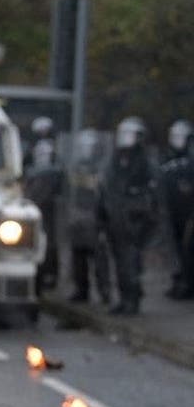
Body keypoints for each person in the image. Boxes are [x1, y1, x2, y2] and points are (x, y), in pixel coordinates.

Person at [98, 117, 160, 316]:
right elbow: (107, 187)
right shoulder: (115, 160)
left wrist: (141, 215)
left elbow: (152, 194)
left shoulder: (144, 162)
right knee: (119, 262)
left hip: (134, 220)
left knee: (131, 262)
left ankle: (132, 299)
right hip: (115, 218)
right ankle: (124, 299)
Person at [66, 129, 111, 304]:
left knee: (100, 258)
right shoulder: (75, 167)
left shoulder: (102, 169)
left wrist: (104, 219)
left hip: (95, 218)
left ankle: (104, 291)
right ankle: (81, 290)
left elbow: (105, 195)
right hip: (78, 216)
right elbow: (69, 192)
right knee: (78, 258)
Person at [24, 116, 64, 291]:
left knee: (47, 238)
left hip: (45, 200)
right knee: (43, 237)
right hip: (39, 199)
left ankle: (48, 274)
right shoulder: (43, 150)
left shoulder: (54, 152)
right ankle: (44, 274)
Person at [160, 119, 194, 299]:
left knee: (188, 250)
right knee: (173, 251)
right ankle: (177, 281)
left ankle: (188, 285)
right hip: (172, 212)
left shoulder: (191, 161)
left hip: (189, 215)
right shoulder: (167, 160)